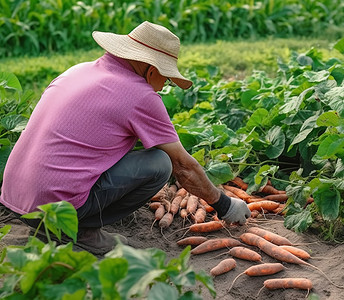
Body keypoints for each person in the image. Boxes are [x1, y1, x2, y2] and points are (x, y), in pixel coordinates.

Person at [0, 21, 251, 255]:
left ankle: (62, 222)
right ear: (151, 69)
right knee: (160, 163)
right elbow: (183, 167)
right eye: (165, 78)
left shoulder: (77, 71)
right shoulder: (140, 96)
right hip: (57, 212)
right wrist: (224, 205)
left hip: (15, 199)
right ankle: (81, 231)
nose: (163, 86)